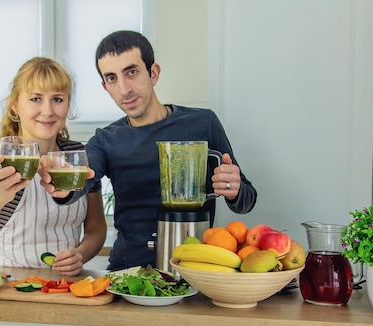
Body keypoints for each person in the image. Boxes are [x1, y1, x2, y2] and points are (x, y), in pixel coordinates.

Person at [39, 30, 257, 270]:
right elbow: (83, 176)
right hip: (126, 274)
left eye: (131, 72)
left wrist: (233, 188)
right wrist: (63, 185)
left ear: (153, 73)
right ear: (105, 86)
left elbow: (246, 199)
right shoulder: (105, 140)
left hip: (195, 270)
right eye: (112, 78)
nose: (124, 89)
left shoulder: (203, 123)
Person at [0, 57, 107, 276]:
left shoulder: (78, 156)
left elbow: (96, 228)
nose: (48, 110)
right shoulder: (1, 158)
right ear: (15, 105)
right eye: (35, 99)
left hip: (66, 285)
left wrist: (80, 254)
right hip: (12, 285)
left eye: (58, 99)